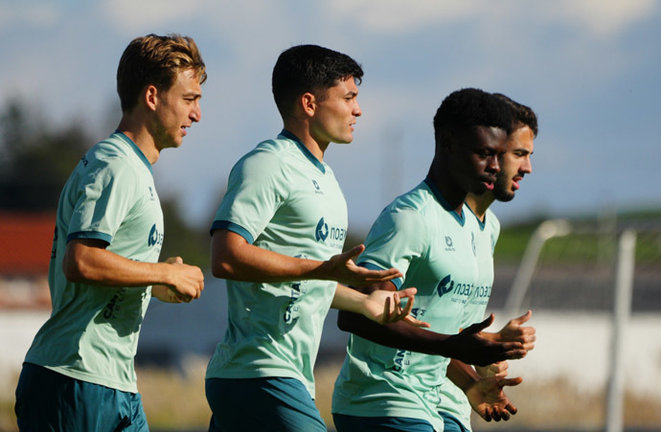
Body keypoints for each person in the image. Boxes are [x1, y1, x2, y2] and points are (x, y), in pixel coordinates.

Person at [204, 44, 426, 432]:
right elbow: (226, 257)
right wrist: (324, 269)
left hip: (278, 377)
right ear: (309, 103)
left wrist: (363, 304)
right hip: (259, 371)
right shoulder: (267, 164)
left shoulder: (326, 179)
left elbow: (301, 279)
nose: (358, 110)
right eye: (349, 98)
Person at [14, 33, 207, 432]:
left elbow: (102, 271)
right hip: (73, 378)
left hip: (113, 383)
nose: (197, 114)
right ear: (152, 96)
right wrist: (163, 273)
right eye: (189, 99)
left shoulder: (134, 169)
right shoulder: (116, 164)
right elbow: (81, 260)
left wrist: (154, 281)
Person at [332, 88, 532, 432]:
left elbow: (435, 327)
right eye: (485, 154)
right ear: (450, 143)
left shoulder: (477, 226)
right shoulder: (409, 217)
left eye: (500, 155)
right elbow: (356, 316)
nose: (495, 167)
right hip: (382, 400)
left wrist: (474, 369)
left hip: (430, 403)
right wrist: (458, 346)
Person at [436, 93, 539, 431]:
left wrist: (488, 353)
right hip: (409, 406)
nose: (527, 167)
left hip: (453, 408)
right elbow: (401, 323)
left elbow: (450, 328)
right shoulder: (427, 217)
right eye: (519, 154)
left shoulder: (489, 227)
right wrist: (486, 348)